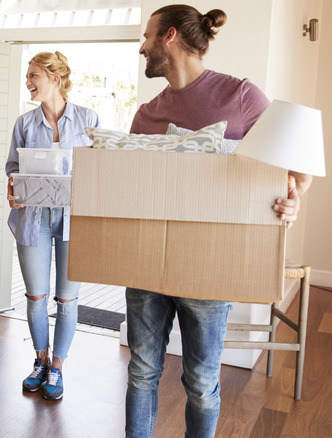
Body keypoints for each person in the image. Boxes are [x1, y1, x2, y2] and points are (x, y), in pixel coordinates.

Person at [124, 6, 312, 437]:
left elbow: (296, 169)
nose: (141, 47)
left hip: (211, 267)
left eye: (147, 37)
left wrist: (294, 200)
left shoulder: (241, 97)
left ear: (169, 37)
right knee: (141, 373)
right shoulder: (146, 114)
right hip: (146, 263)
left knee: (203, 384)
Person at [5, 51, 100, 400]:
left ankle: (57, 368)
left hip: (75, 218)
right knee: (35, 297)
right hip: (33, 217)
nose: (28, 82)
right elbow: (12, 168)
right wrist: (13, 189)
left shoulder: (89, 119)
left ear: (54, 79)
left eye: (33, 76)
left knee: (68, 299)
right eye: (27, 76)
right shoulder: (25, 124)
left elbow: (100, 169)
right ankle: (40, 361)